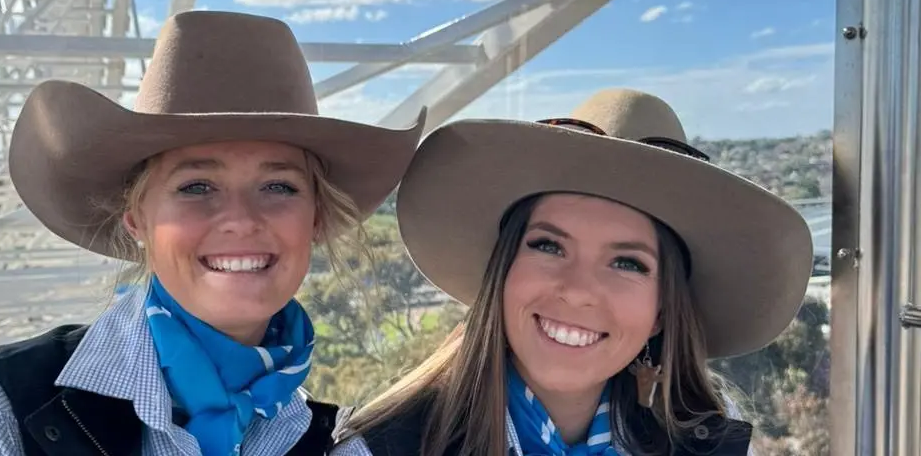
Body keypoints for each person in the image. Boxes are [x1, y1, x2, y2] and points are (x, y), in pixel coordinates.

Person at [0, 10, 427, 456]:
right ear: (136, 219)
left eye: (279, 187)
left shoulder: (333, 445)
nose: (241, 218)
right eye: (196, 186)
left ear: (315, 219)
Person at [336, 88, 813, 456]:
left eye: (627, 262)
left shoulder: (712, 443)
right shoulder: (379, 447)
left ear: (662, 312)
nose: (579, 290)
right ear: (502, 274)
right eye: (548, 245)